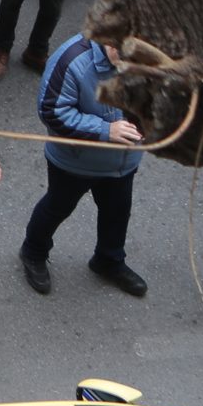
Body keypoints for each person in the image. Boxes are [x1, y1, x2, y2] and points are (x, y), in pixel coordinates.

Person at [19, 32, 146, 298]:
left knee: (117, 211)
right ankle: (33, 252)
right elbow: (52, 111)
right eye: (119, 51)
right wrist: (105, 130)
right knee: (58, 206)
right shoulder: (71, 60)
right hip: (75, 162)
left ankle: (109, 260)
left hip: (123, 162)